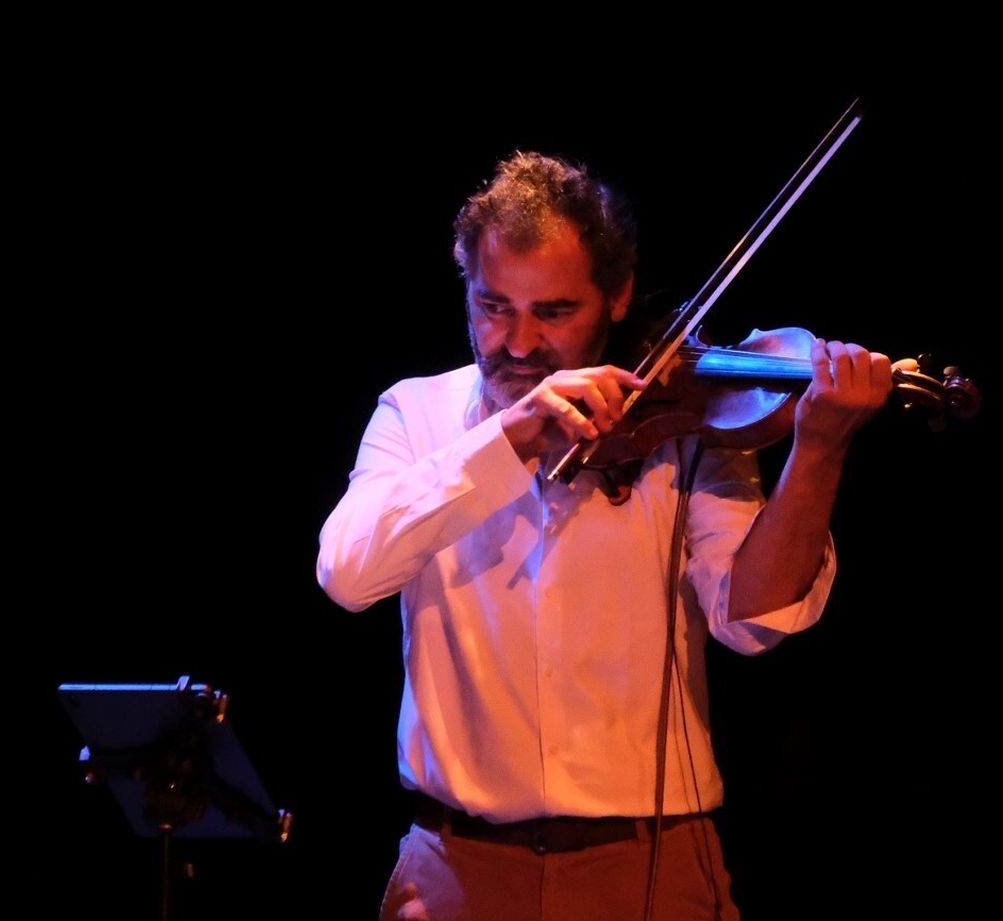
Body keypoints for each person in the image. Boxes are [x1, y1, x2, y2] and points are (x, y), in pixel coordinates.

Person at [317, 151, 894, 921]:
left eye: (554, 313)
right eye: (493, 306)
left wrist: (818, 451)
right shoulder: (413, 415)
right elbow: (347, 572)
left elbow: (752, 621)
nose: (518, 344)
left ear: (617, 295)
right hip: (458, 870)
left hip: (651, 865)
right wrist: (513, 435)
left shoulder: (684, 421)